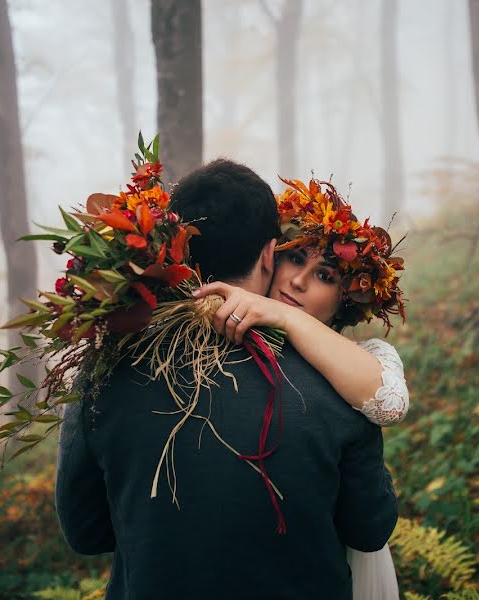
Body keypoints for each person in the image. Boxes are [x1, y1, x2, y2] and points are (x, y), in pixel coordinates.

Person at [55, 159, 398, 599]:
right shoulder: (340, 380)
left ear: (171, 248)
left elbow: (86, 533)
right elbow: (370, 529)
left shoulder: (105, 371)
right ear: (268, 254)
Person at [193, 176, 409, 600]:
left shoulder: (366, 354)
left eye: (324, 275)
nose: (298, 282)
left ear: (345, 299)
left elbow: (389, 403)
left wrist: (286, 317)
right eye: (296, 260)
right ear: (271, 256)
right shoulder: (211, 330)